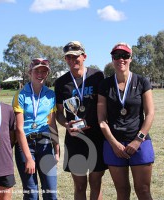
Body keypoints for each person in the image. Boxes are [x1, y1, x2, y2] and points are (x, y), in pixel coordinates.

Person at [97, 42, 155, 200]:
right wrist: (114, 144)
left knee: (143, 190)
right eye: (117, 56)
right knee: (122, 192)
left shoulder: (142, 82)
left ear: (130, 58)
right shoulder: (105, 85)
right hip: (114, 144)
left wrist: (138, 140)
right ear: (112, 59)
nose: (121, 59)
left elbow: (150, 114)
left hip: (140, 143)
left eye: (125, 56)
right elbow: (101, 119)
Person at [54, 41, 106, 200]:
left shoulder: (97, 76)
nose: (72, 60)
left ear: (84, 57)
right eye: (68, 57)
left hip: (97, 137)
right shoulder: (61, 82)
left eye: (76, 57)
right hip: (75, 139)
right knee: (80, 185)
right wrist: (66, 125)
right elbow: (59, 113)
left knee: (96, 183)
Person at [12, 58, 59, 200]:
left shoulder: (51, 95)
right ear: (29, 72)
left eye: (44, 71)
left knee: (50, 190)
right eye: (36, 71)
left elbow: (52, 124)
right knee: (31, 192)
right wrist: (28, 158)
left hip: (45, 144)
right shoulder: (20, 95)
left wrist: (56, 150)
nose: (40, 74)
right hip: (25, 145)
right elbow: (19, 129)